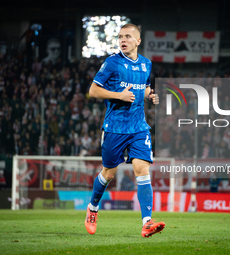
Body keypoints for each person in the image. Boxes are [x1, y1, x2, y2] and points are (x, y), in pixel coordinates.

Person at [85, 23, 165, 238]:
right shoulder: (112, 63)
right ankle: (92, 208)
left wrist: (150, 95)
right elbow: (93, 91)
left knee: (142, 169)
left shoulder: (146, 64)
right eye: (121, 36)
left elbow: (144, 86)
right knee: (108, 173)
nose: (123, 40)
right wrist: (119, 96)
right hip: (115, 128)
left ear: (138, 41)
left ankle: (147, 222)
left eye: (128, 36)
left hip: (139, 128)